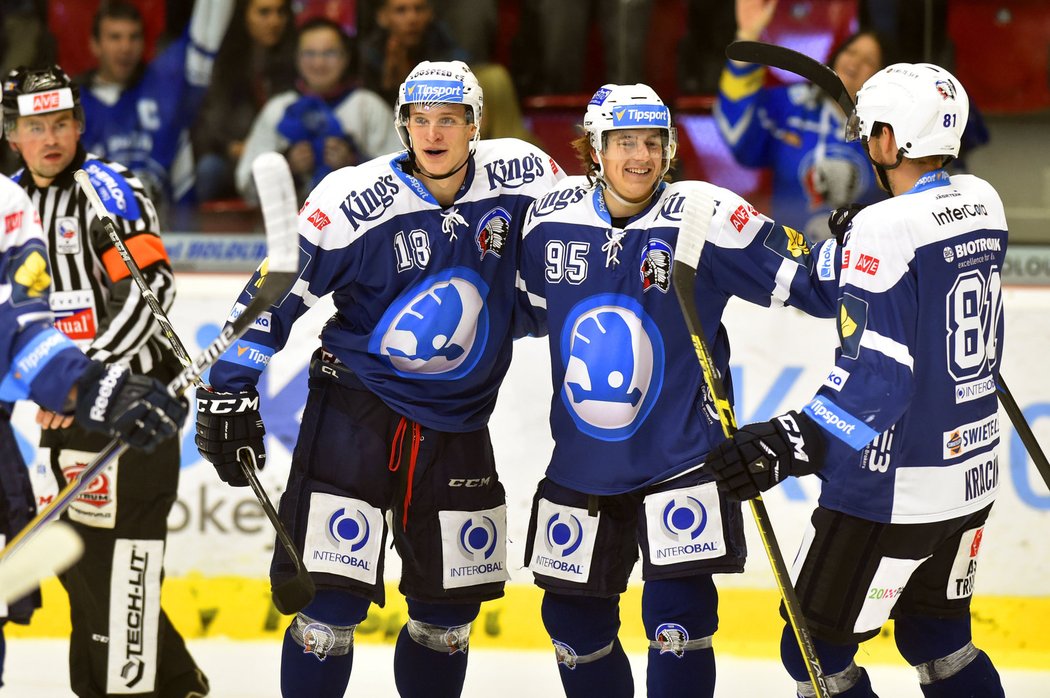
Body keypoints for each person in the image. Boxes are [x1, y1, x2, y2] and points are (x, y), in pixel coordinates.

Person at [195, 60, 564, 697]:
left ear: (475, 124)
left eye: (449, 119)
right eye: (420, 119)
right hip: (356, 415)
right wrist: (228, 385)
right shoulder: (352, 200)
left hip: (458, 424)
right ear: (402, 126)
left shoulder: (526, 176)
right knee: (328, 608)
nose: (433, 133)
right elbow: (277, 289)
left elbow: (576, 258)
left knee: (447, 617)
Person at [514, 83, 837, 698]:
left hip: (683, 459)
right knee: (571, 623)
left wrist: (873, 243)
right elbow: (518, 310)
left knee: (677, 621)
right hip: (583, 463)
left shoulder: (705, 215)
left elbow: (814, 286)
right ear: (594, 150)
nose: (640, 157)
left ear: (670, 149)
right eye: (624, 142)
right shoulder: (549, 218)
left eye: (653, 142)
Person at [705, 63, 1008, 698]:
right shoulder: (984, 202)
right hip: (969, 475)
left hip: (891, 490)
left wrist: (786, 443)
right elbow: (871, 283)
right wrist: (852, 245)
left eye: (872, 132)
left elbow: (879, 381)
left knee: (815, 652)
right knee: (939, 639)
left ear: (891, 141)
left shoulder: (884, 226)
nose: (868, 143)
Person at [4, 64, 209, 697]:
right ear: (11, 132)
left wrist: (86, 381)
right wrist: (54, 389)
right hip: (67, 416)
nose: (51, 138)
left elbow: (152, 294)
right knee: (86, 572)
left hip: (134, 409)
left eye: (62, 122)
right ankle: (175, 684)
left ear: (80, 123)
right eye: (36, 125)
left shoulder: (108, 192)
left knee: (124, 572)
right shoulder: (10, 204)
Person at [714, 0, 892, 241]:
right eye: (850, 51)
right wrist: (748, 35)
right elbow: (738, 136)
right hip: (789, 261)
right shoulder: (793, 106)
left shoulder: (887, 129)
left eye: (869, 60)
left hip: (861, 267)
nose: (855, 62)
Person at [76, 0, 234, 223]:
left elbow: (205, 38)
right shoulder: (75, 106)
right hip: (97, 236)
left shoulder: (164, 91)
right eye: (115, 37)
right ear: (94, 44)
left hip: (163, 234)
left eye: (134, 37)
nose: (125, 47)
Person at [235, 16, 401, 203]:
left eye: (329, 53)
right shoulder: (278, 109)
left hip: (358, 226)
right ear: (296, 58)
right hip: (290, 225)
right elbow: (246, 185)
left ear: (346, 57)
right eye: (310, 54)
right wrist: (287, 167)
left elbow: (402, 177)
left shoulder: (367, 106)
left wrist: (355, 163)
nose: (319, 63)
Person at [192, 0, 297, 202]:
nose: (274, 21)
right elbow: (210, 119)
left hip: (282, 156)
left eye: (280, 12)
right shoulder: (225, 60)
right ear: (244, 16)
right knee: (209, 168)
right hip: (234, 154)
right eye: (264, 13)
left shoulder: (299, 58)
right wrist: (231, 146)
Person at [358, 0, 468, 106]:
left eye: (419, 9)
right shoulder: (369, 54)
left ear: (430, 13)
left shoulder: (442, 42)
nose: (412, 19)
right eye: (401, 10)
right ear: (382, 17)